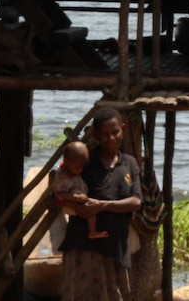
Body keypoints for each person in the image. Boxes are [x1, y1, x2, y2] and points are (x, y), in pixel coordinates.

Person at [59, 108, 142, 301]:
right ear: (96, 135)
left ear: (123, 129)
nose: (111, 138)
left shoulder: (129, 163)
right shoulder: (85, 161)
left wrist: (101, 205)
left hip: (115, 246)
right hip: (83, 245)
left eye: (115, 132)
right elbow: (64, 185)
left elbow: (136, 202)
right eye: (105, 134)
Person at [53, 140, 108, 239]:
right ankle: (92, 232)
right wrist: (76, 197)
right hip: (66, 201)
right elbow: (60, 194)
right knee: (90, 211)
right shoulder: (63, 176)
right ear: (66, 162)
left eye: (82, 167)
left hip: (77, 194)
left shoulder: (71, 168)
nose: (80, 170)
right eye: (77, 167)